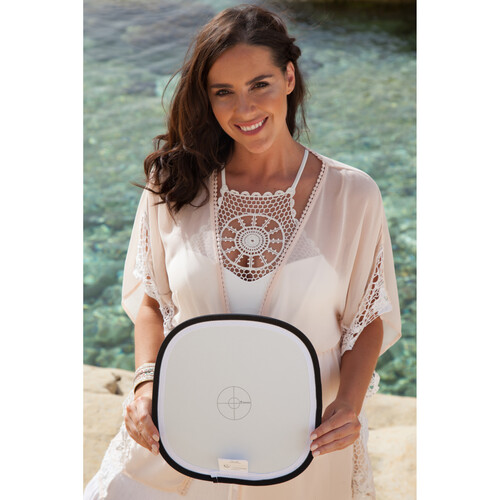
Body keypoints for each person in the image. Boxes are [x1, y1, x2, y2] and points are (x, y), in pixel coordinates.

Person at [84, 4, 401, 499]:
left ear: (289, 78)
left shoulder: (352, 194)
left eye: (260, 84)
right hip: (180, 431)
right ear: (207, 99)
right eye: (223, 92)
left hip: (304, 445)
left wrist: (349, 406)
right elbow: (150, 300)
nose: (245, 109)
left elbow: (368, 318)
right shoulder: (174, 184)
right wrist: (145, 384)